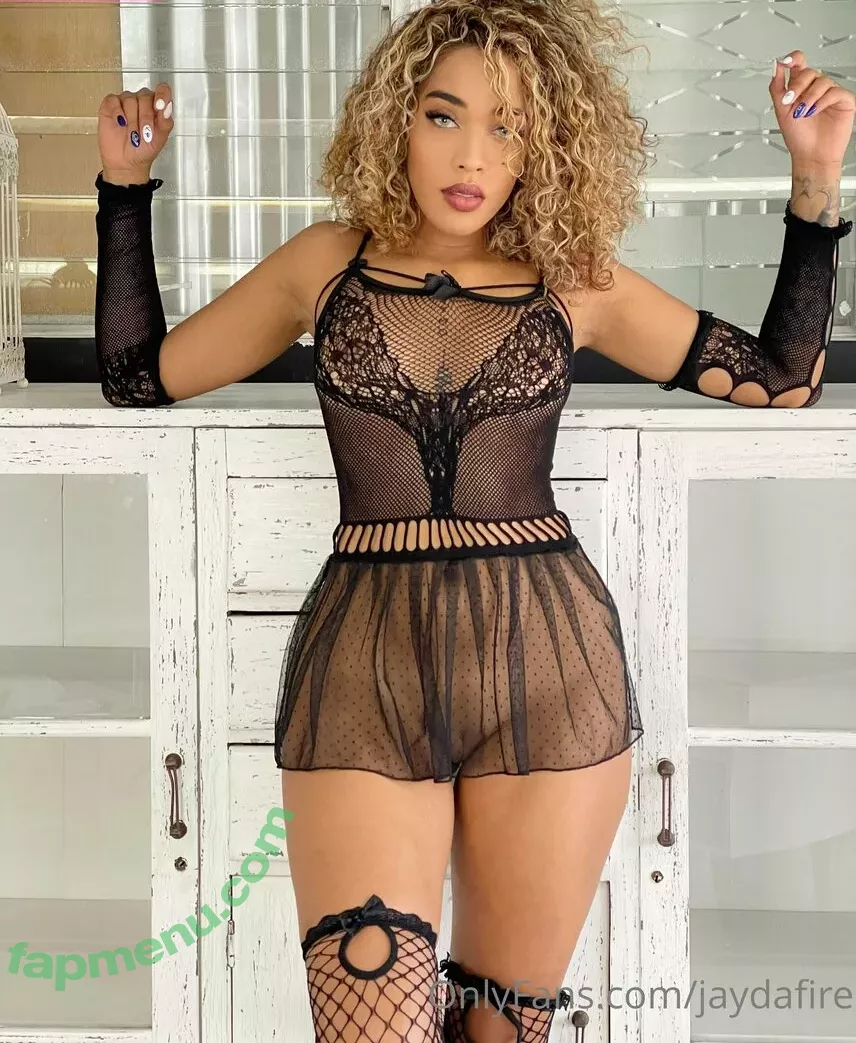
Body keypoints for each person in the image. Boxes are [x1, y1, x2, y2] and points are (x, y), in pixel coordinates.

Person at [92, 0, 853, 1039]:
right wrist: (124, 187)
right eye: (444, 116)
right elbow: (139, 376)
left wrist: (815, 179)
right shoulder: (325, 265)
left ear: (546, 146)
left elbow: (780, 377)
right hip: (365, 677)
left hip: (551, 674)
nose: (472, 155)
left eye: (509, 127)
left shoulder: (575, 282)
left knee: (501, 1033)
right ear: (396, 120)